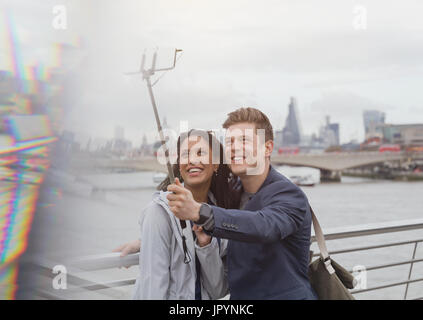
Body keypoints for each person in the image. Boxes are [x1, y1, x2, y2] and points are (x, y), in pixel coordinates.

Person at [167, 107, 318, 300]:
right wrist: (153, 234)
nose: (234, 148)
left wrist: (200, 212)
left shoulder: (289, 195)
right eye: (229, 141)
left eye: (244, 140)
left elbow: (264, 226)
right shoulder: (232, 191)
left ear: (268, 148)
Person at [114, 129, 239, 299]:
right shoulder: (159, 213)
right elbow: (153, 289)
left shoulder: (218, 215)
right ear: (179, 165)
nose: (192, 160)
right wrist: (149, 239)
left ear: (216, 164)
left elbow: (217, 291)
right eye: (186, 154)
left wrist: (206, 246)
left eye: (200, 153)